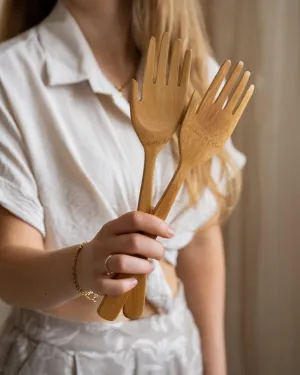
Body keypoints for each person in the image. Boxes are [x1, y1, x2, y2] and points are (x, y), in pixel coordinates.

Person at [0, 1, 246, 374]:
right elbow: (9, 270)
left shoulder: (198, 74)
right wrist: (83, 266)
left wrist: (216, 367)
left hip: (177, 350)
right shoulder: (11, 75)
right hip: (64, 359)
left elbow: (200, 239)